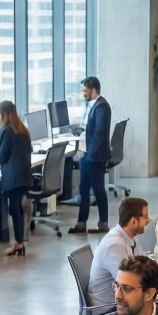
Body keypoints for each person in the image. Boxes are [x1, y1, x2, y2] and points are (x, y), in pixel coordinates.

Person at [88, 196, 158, 315]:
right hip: (110, 311)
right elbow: (135, 282)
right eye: (145, 217)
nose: (148, 220)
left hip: (124, 303)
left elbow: (149, 268)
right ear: (134, 222)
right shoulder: (114, 245)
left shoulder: (131, 238)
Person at [70, 74, 111, 234]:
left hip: (95, 157)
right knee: (83, 188)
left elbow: (99, 133)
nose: (83, 94)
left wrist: (90, 156)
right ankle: (81, 223)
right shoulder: (91, 105)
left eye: (85, 91)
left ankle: (103, 224)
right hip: (85, 154)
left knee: (98, 189)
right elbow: (88, 130)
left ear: (94, 90)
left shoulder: (102, 106)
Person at [0, 100, 32, 256]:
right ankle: (19, 243)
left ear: (3, 114)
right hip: (24, 176)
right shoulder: (22, 129)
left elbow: (2, 157)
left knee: (15, 210)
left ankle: (19, 244)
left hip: (13, 177)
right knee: (17, 210)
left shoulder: (7, 131)